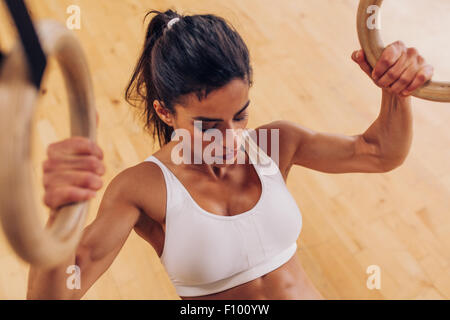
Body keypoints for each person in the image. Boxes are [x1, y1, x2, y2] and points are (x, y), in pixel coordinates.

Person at [27, 9, 433, 300]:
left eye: (240, 116)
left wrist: (395, 91)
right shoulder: (142, 189)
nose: (232, 137)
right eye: (208, 125)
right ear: (165, 112)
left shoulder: (276, 144)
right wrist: (62, 214)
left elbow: (379, 153)